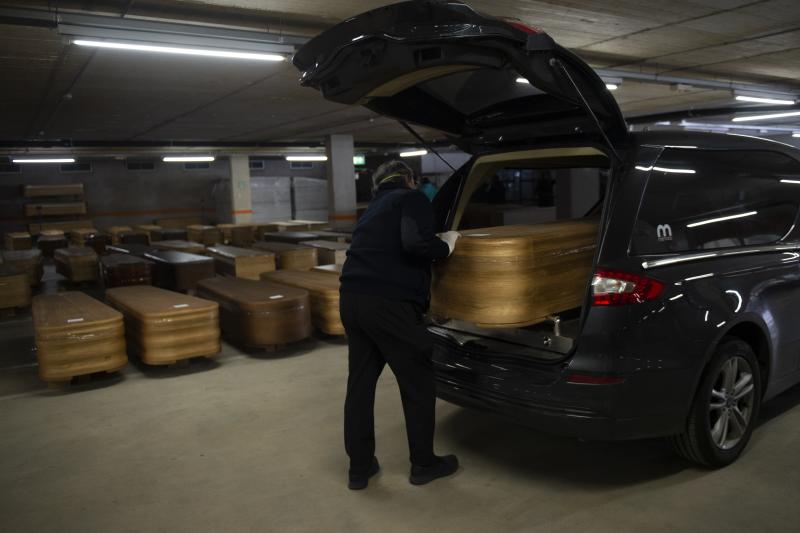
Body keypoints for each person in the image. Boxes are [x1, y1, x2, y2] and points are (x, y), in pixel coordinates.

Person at [339, 160, 461, 490]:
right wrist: (446, 244)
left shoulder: (372, 208)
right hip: (388, 304)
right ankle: (424, 464)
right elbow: (415, 243)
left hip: (351, 299)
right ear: (408, 179)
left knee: (360, 384)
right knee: (418, 381)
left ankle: (359, 468)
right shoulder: (411, 199)